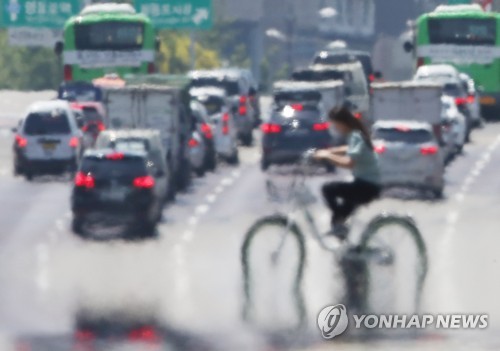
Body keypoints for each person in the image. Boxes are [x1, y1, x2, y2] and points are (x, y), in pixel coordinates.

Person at [314, 107, 381, 240]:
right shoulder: (355, 135)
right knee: (343, 210)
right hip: (367, 184)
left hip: (366, 186)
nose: (335, 128)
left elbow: (349, 163)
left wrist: (328, 156)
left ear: (343, 123)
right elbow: (349, 149)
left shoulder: (355, 136)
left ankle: (338, 225)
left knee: (328, 189)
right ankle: (350, 250)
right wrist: (331, 151)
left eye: (335, 124)